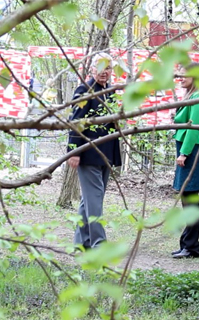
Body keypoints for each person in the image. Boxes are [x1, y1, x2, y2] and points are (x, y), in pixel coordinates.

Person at [67, 52, 122, 250]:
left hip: (107, 152)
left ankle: (81, 242)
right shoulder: (84, 90)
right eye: (100, 68)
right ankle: (99, 244)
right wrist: (74, 151)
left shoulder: (110, 91)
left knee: (90, 200)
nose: (104, 72)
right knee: (95, 200)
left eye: (107, 68)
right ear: (91, 69)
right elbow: (76, 123)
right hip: (88, 153)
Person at [171, 64, 199, 259]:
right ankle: (187, 244)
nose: (180, 78)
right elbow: (183, 120)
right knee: (187, 200)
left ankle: (192, 247)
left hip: (192, 152)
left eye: (184, 75)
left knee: (191, 201)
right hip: (187, 150)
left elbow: (194, 128)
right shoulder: (191, 96)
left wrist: (184, 153)